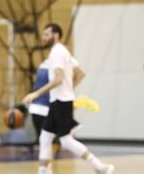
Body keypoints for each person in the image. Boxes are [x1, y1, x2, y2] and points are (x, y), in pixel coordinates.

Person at [22, 23, 114, 174]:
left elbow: (58, 79)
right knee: (45, 136)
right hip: (59, 100)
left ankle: (100, 166)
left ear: (56, 35)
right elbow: (80, 73)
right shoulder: (63, 51)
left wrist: (35, 94)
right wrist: (69, 91)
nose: (44, 38)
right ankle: (43, 170)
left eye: (47, 34)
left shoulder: (57, 52)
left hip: (60, 102)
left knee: (66, 140)